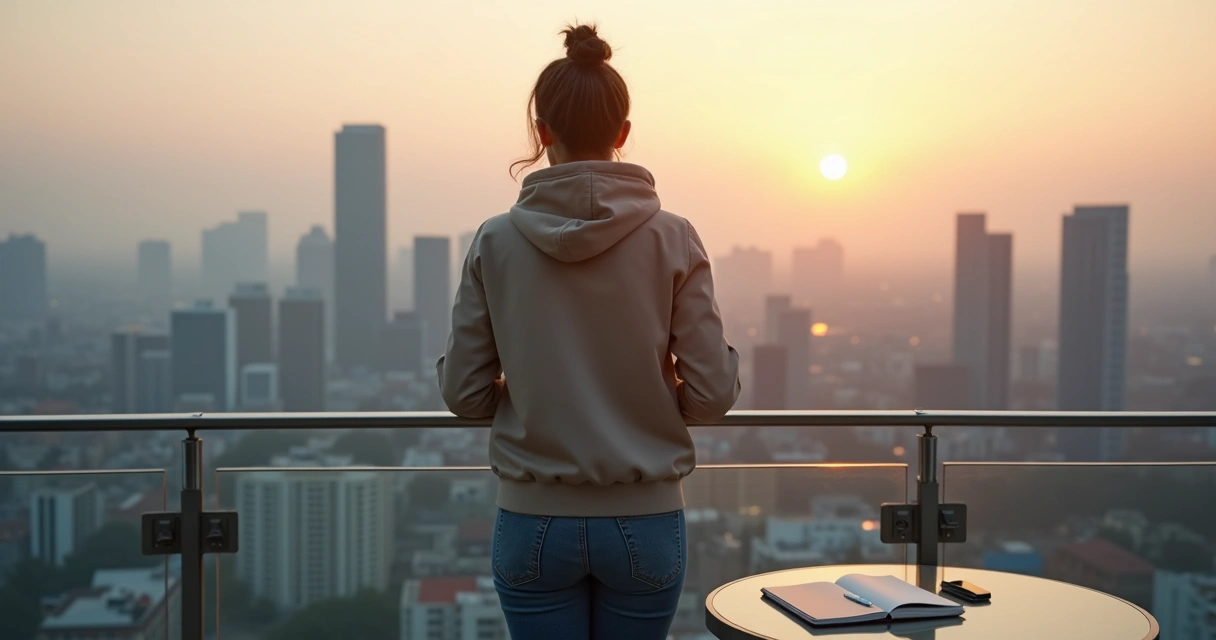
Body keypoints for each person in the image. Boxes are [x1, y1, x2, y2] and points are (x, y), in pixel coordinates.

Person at [437, 23, 740, 640]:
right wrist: (641, 406)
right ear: (623, 133)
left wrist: (538, 392)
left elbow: (464, 397)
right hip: (646, 518)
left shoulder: (495, 241)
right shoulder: (673, 237)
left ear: (542, 131)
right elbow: (711, 398)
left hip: (531, 518)